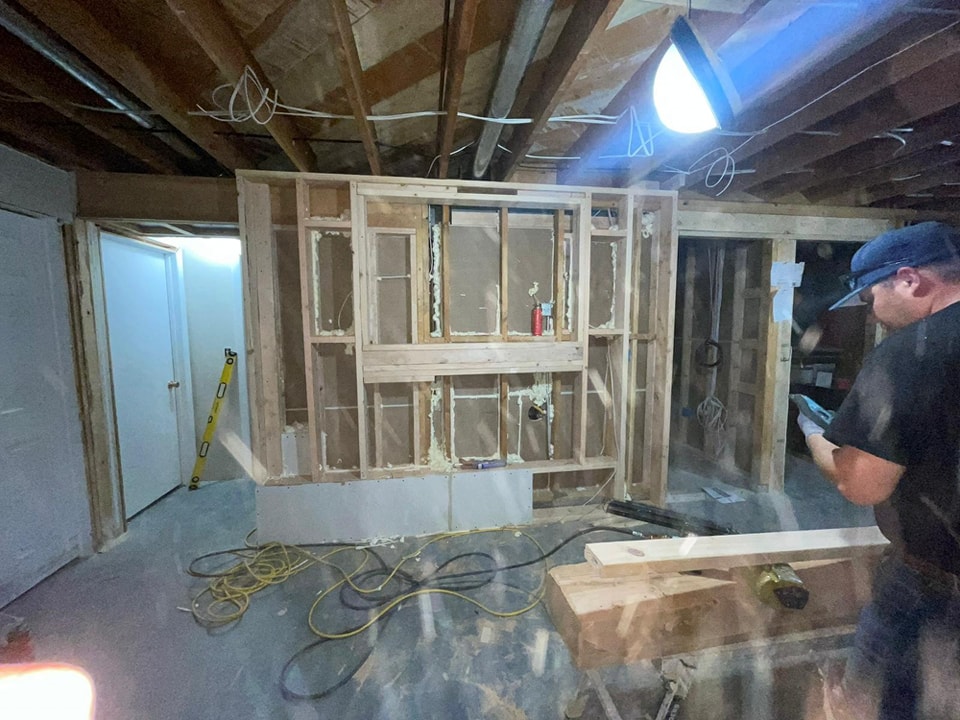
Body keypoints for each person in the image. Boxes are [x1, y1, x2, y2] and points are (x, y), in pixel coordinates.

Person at [795, 221, 960, 720]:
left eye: (871, 298)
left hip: (936, 587)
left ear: (909, 280)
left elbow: (859, 483)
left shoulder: (913, 352)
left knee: (877, 706)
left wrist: (814, 434)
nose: (873, 314)